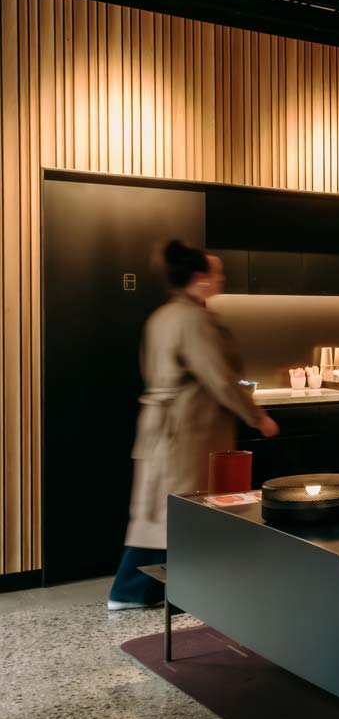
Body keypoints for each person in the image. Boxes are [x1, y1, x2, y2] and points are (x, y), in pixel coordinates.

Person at [107, 241, 280, 610]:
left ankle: (150, 589)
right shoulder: (196, 320)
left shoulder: (162, 317)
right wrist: (257, 416)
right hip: (189, 428)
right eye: (216, 273)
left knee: (158, 509)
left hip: (161, 423)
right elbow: (220, 378)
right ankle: (134, 589)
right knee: (187, 507)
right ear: (200, 278)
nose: (221, 278)